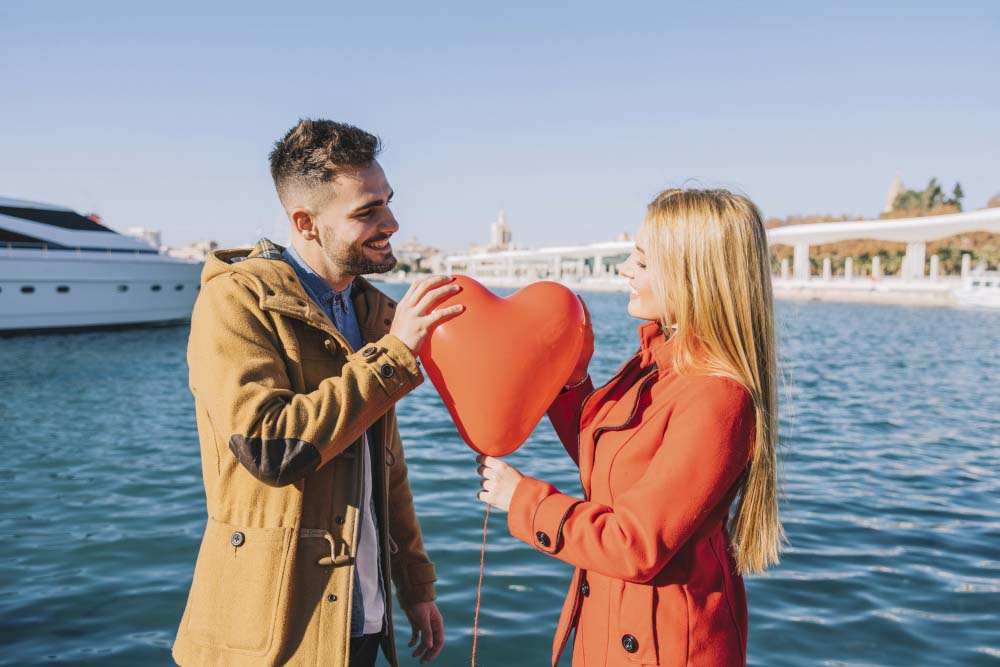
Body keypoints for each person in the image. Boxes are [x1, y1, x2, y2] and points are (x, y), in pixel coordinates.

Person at [173, 119, 462, 667]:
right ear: (304, 222)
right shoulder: (235, 303)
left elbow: (386, 466)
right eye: (366, 212)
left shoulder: (372, 311)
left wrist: (417, 585)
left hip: (361, 624)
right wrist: (396, 354)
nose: (391, 223)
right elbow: (270, 447)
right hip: (275, 635)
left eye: (387, 202)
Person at [476, 188, 783, 666]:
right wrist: (570, 378)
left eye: (641, 261)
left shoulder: (717, 395)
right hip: (616, 627)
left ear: (692, 274)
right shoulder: (656, 364)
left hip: (664, 649)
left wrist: (525, 502)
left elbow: (636, 543)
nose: (624, 269)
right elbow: (611, 465)